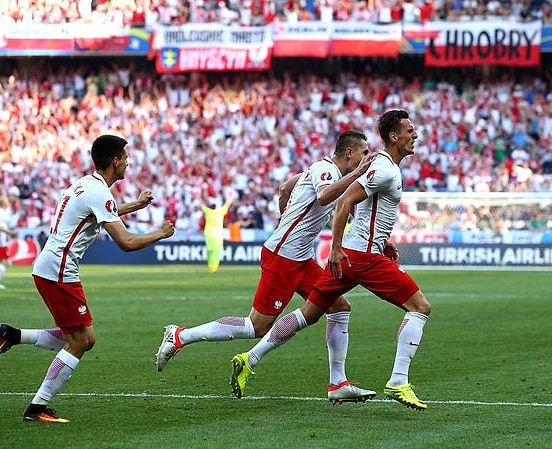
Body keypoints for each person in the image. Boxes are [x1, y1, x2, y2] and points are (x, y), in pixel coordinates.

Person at [229, 109, 432, 411]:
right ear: (394, 136)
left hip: (355, 253)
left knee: (310, 313)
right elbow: (345, 200)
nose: (414, 135)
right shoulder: (385, 168)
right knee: (420, 308)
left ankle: (250, 358)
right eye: (410, 130)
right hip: (362, 257)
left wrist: (382, 241)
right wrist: (336, 247)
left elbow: (360, 207)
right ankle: (398, 381)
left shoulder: (381, 164)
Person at [156, 130, 376, 404]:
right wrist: (355, 176)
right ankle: (180, 335)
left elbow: (285, 188)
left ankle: (337, 382)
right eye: (364, 152)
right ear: (350, 153)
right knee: (256, 326)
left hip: (301, 258)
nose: (367, 158)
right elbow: (322, 197)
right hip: (283, 257)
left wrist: (287, 215)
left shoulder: (322, 171)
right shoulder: (325, 169)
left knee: (339, 307)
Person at [0, 135, 175, 423]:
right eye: (125, 158)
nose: (128, 162)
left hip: (52, 267)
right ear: (115, 161)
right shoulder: (99, 193)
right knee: (79, 342)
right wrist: (160, 233)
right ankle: (38, 408)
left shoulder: (85, 185)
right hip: (59, 271)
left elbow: (100, 211)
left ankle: (13, 335)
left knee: (86, 338)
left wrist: (134, 206)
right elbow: (126, 242)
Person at [199, 188, 234, 273]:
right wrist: (230, 197)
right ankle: (214, 267)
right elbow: (227, 204)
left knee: (211, 251)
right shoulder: (220, 211)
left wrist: (198, 197)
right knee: (216, 251)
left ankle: (211, 267)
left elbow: (202, 205)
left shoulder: (209, 212)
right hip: (217, 235)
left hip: (210, 234)